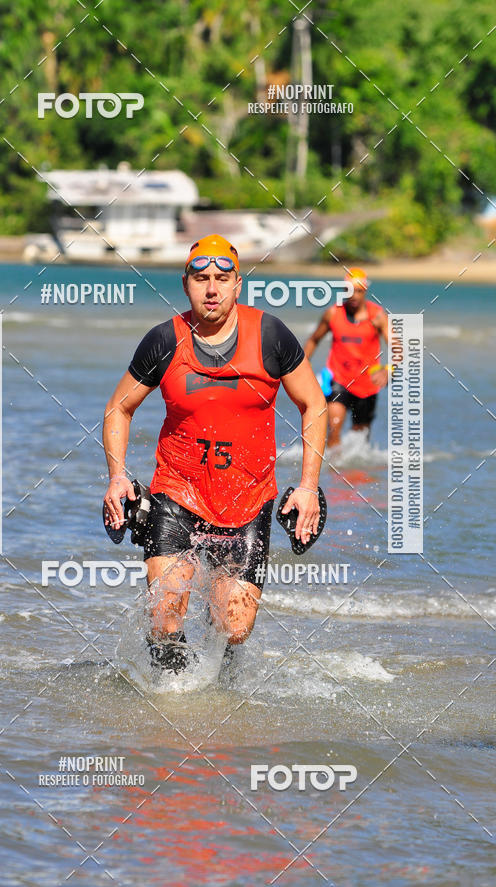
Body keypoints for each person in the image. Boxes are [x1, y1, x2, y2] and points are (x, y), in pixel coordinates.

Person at [103, 234, 327, 673]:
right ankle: (172, 695)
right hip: (178, 493)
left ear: (237, 284)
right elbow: (118, 408)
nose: (211, 289)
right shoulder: (164, 340)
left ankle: (214, 661)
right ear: (185, 283)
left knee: (234, 627)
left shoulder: (270, 336)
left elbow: (314, 404)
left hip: (247, 500)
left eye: (222, 279)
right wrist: (117, 476)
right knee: (164, 617)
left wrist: (308, 486)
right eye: (201, 278)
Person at [304, 267, 391, 448]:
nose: (354, 296)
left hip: (367, 384)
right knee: (334, 428)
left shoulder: (378, 316)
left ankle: (355, 467)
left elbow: (397, 347)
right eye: (349, 290)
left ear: (365, 290)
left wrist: (389, 369)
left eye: (358, 291)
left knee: (360, 438)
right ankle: (332, 465)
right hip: (339, 379)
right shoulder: (333, 313)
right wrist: (303, 368)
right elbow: (313, 340)